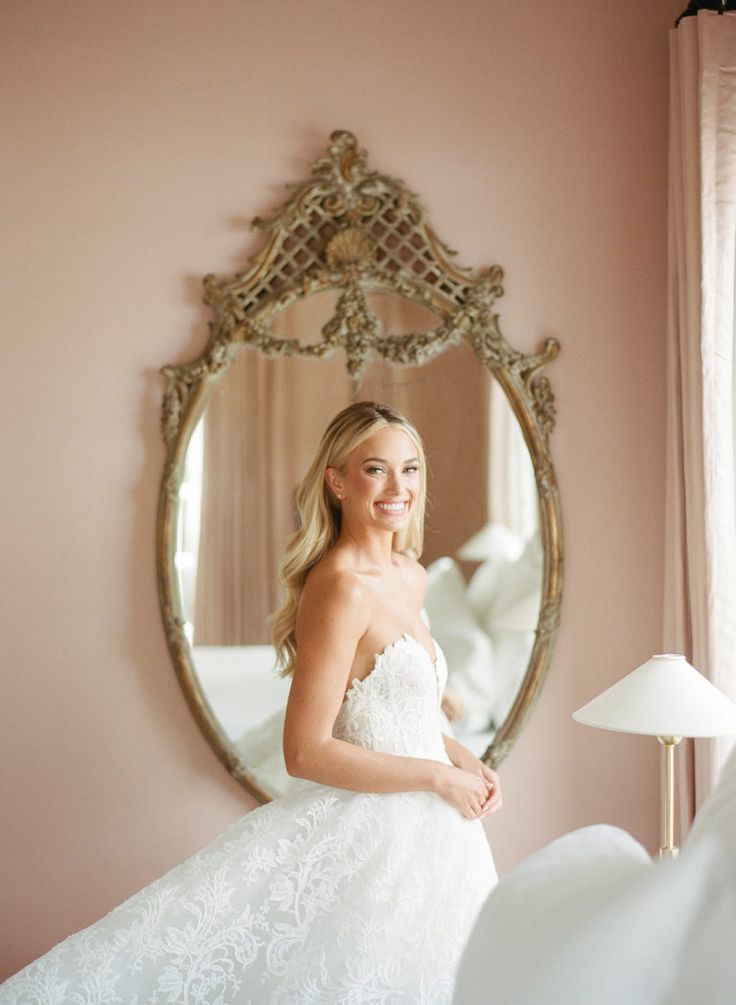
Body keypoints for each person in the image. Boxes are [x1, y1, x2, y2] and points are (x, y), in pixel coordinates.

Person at [1, 401, 501, 1005]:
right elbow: (305, 750)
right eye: (376, 469)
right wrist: (436, 778)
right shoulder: (340, 586)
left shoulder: (410, 574)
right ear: (337, 481)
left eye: (411, 468)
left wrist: (460, 758)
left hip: (436, 842)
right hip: (374, 842)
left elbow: (394, 710)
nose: (399, 487)